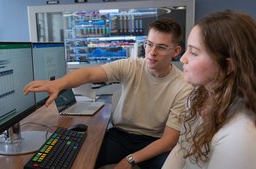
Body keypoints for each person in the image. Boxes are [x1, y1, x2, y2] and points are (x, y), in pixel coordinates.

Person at [24, 18, 192, 169]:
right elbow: (89, 74)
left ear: (176, 51)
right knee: (79, 160)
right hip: (120, 136)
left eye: (161, 47)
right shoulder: (131, 66)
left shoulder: (183, 86)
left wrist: (130, 159)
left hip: (154, 141)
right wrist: (58, 84)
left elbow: (169, 140)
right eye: (149, 44)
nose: (152, 52)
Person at [162, 10, 256, 169]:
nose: (183, 58)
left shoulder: (240, 136)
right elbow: (182, 149)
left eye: (193, 52)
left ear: (228, 66)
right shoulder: (197, 96)